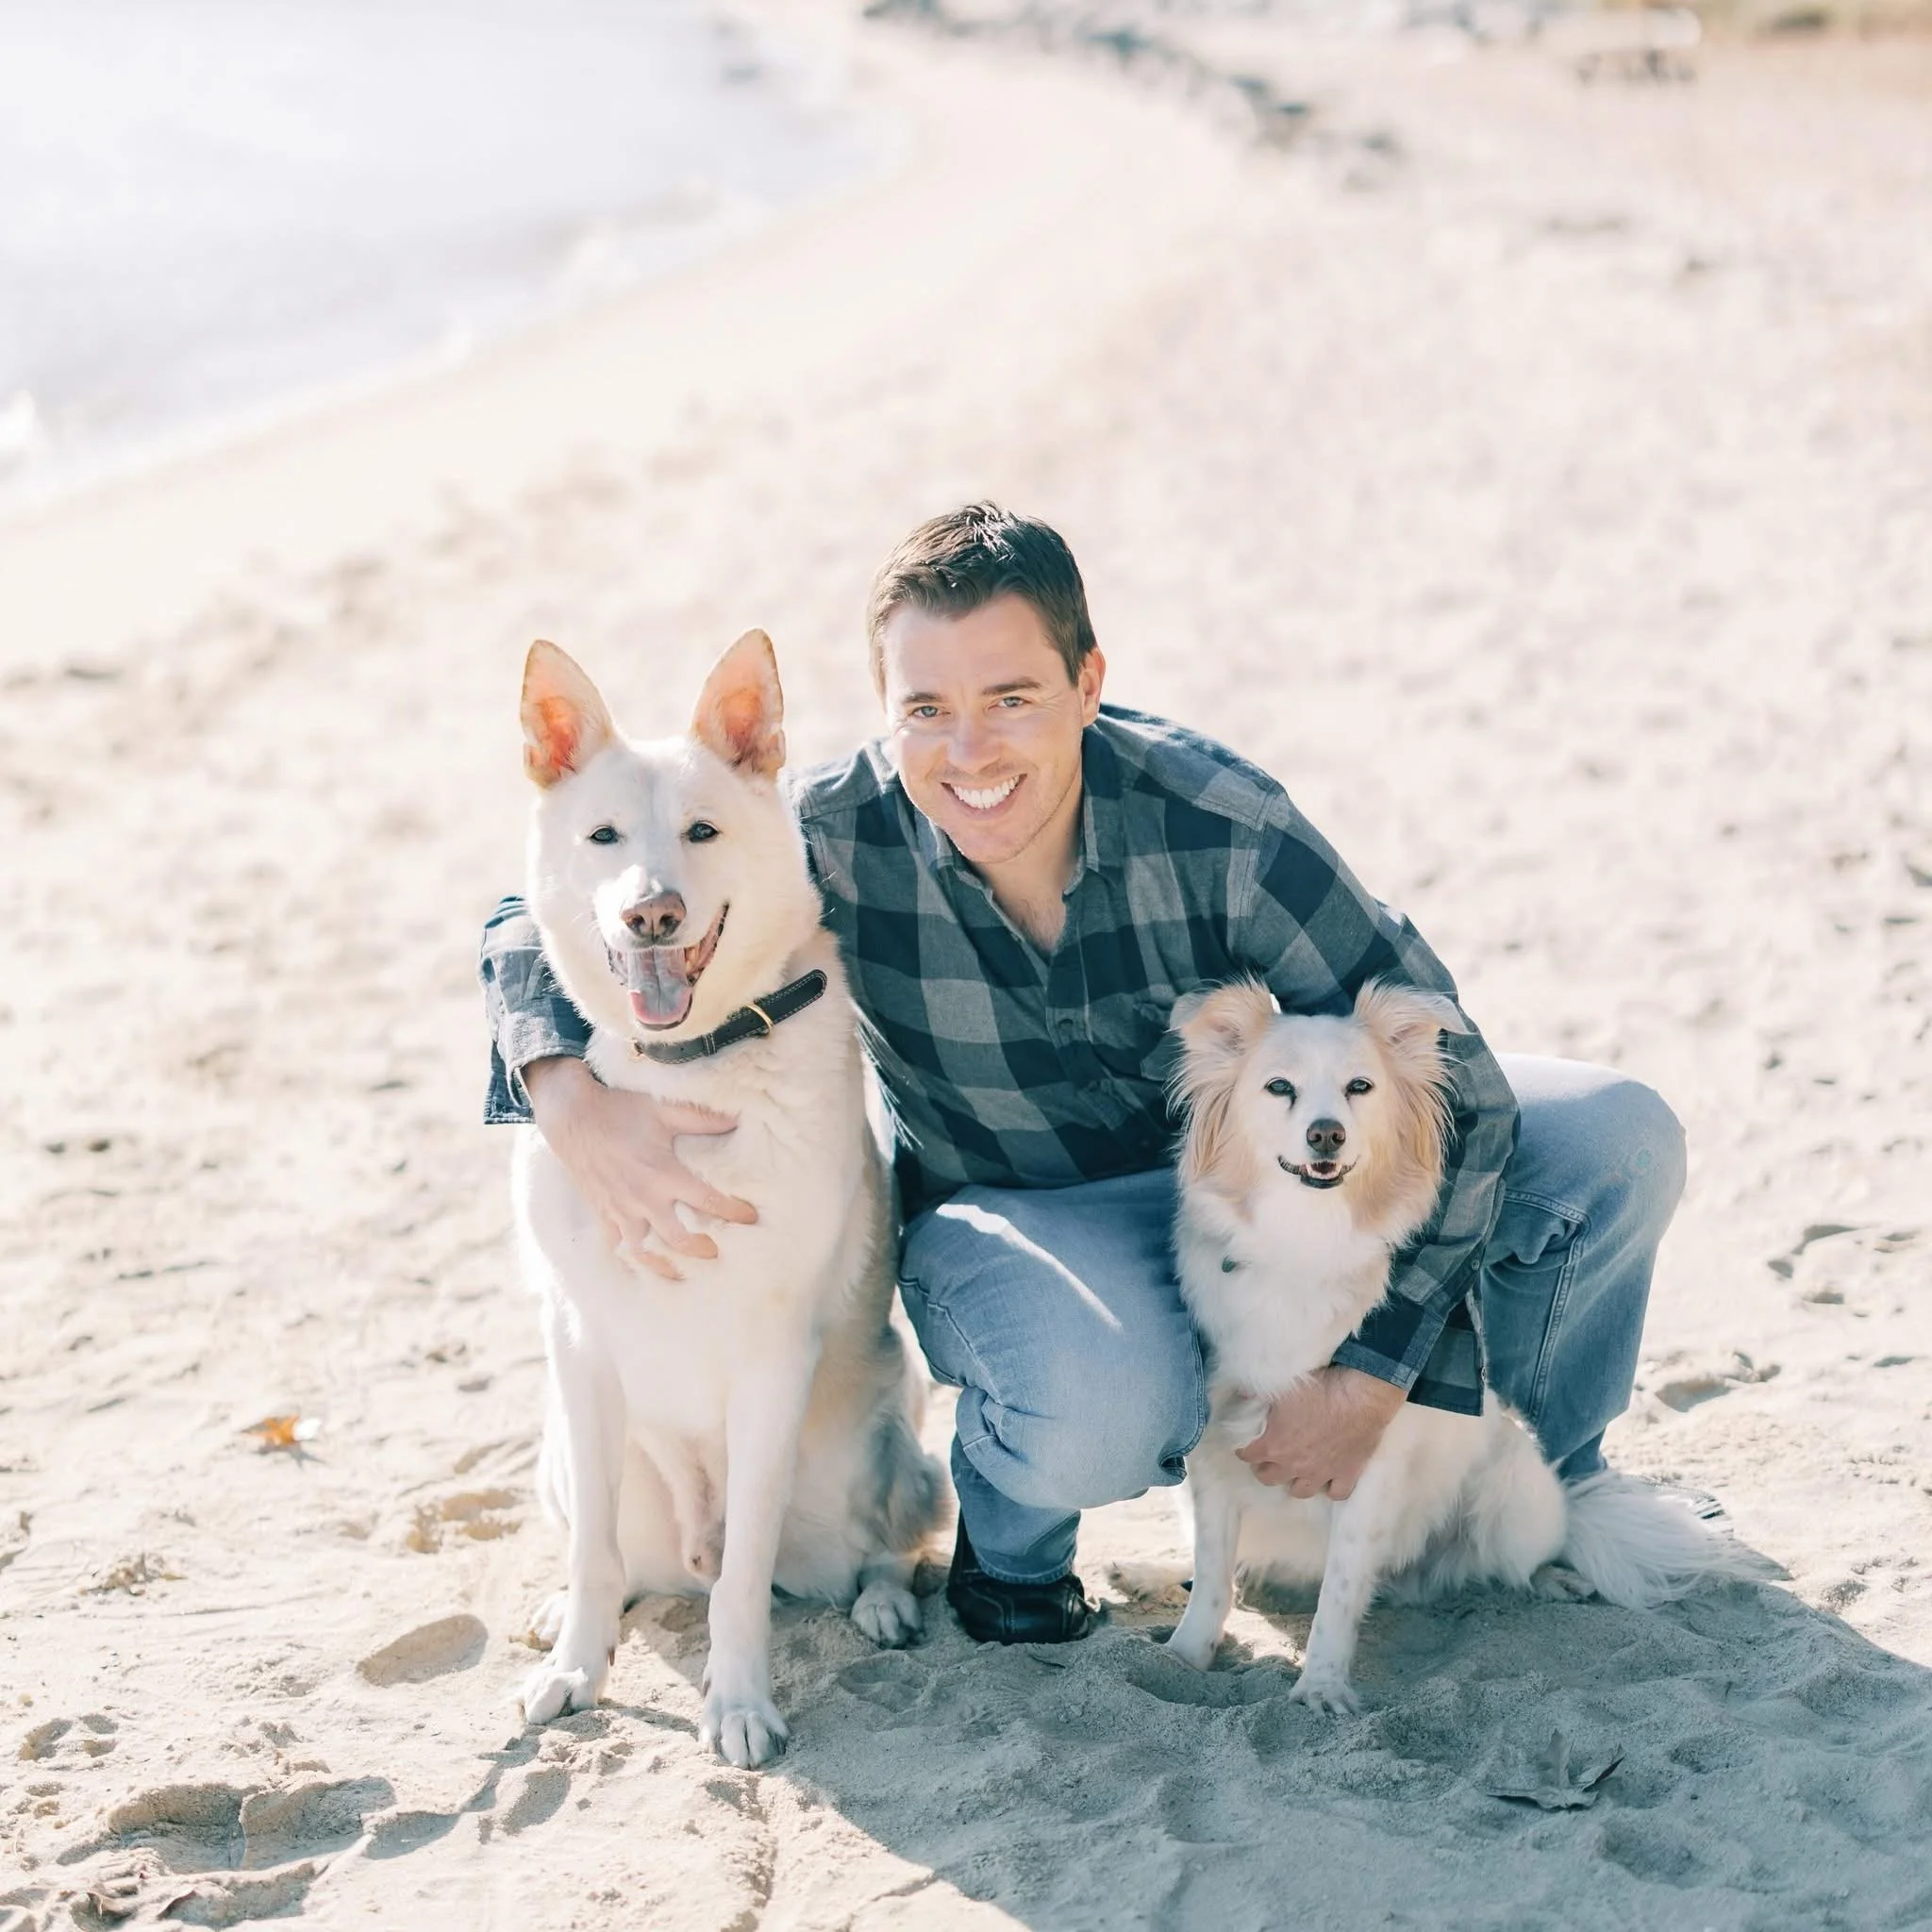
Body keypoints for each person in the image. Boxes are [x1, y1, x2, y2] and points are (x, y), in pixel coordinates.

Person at [478, 504, 1685, 1645]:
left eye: (1011, 698)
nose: (969, 750)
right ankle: (1009, 1568)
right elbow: (551, 906)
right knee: (1092, 1391)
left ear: (1088, 685)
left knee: (1609, 1146)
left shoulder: (1222, 831)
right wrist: (562, 1091)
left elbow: (1458, 1075)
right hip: (1016, 1222)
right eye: (926, 708)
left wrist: (1377, 1373)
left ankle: (1545, 1482)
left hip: (1244, 1181)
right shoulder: (826, 829)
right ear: (885, 711)